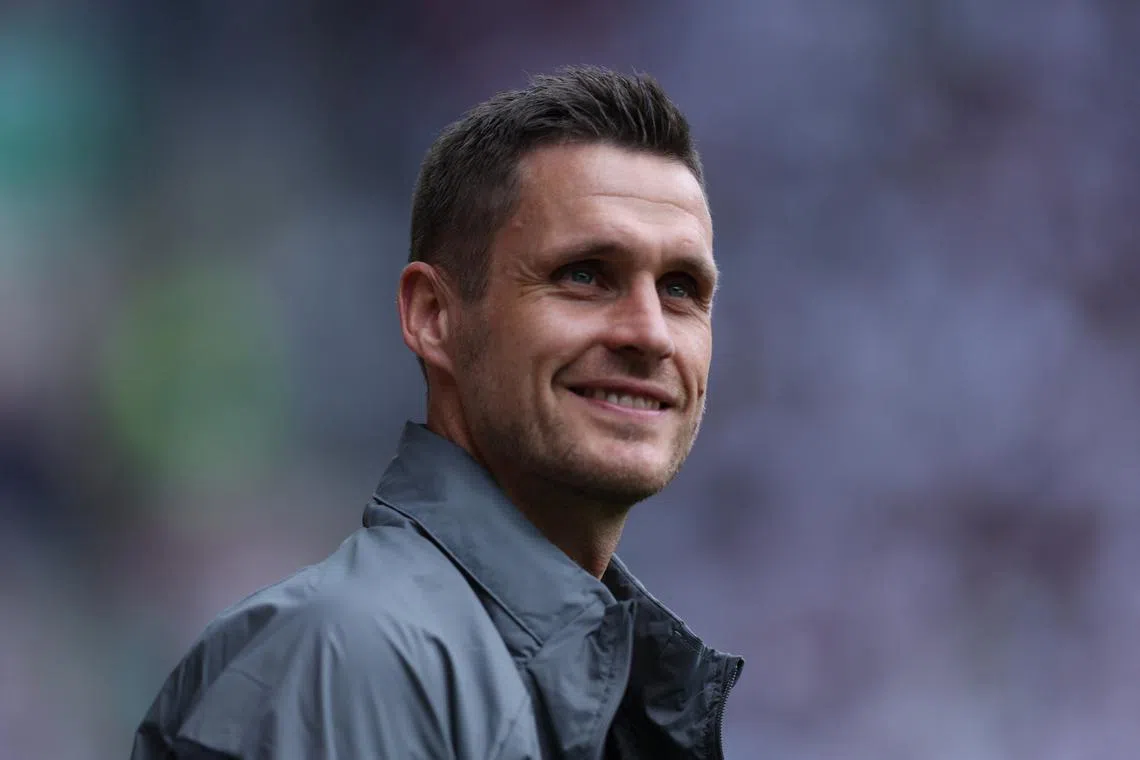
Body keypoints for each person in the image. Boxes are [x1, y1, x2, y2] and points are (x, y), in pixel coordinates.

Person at [131, 65, 744, 760]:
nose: (650, 333)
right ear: (434, 316)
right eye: (584, 274)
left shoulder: (594, 680)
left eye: (680, 288)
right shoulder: (348, 661)